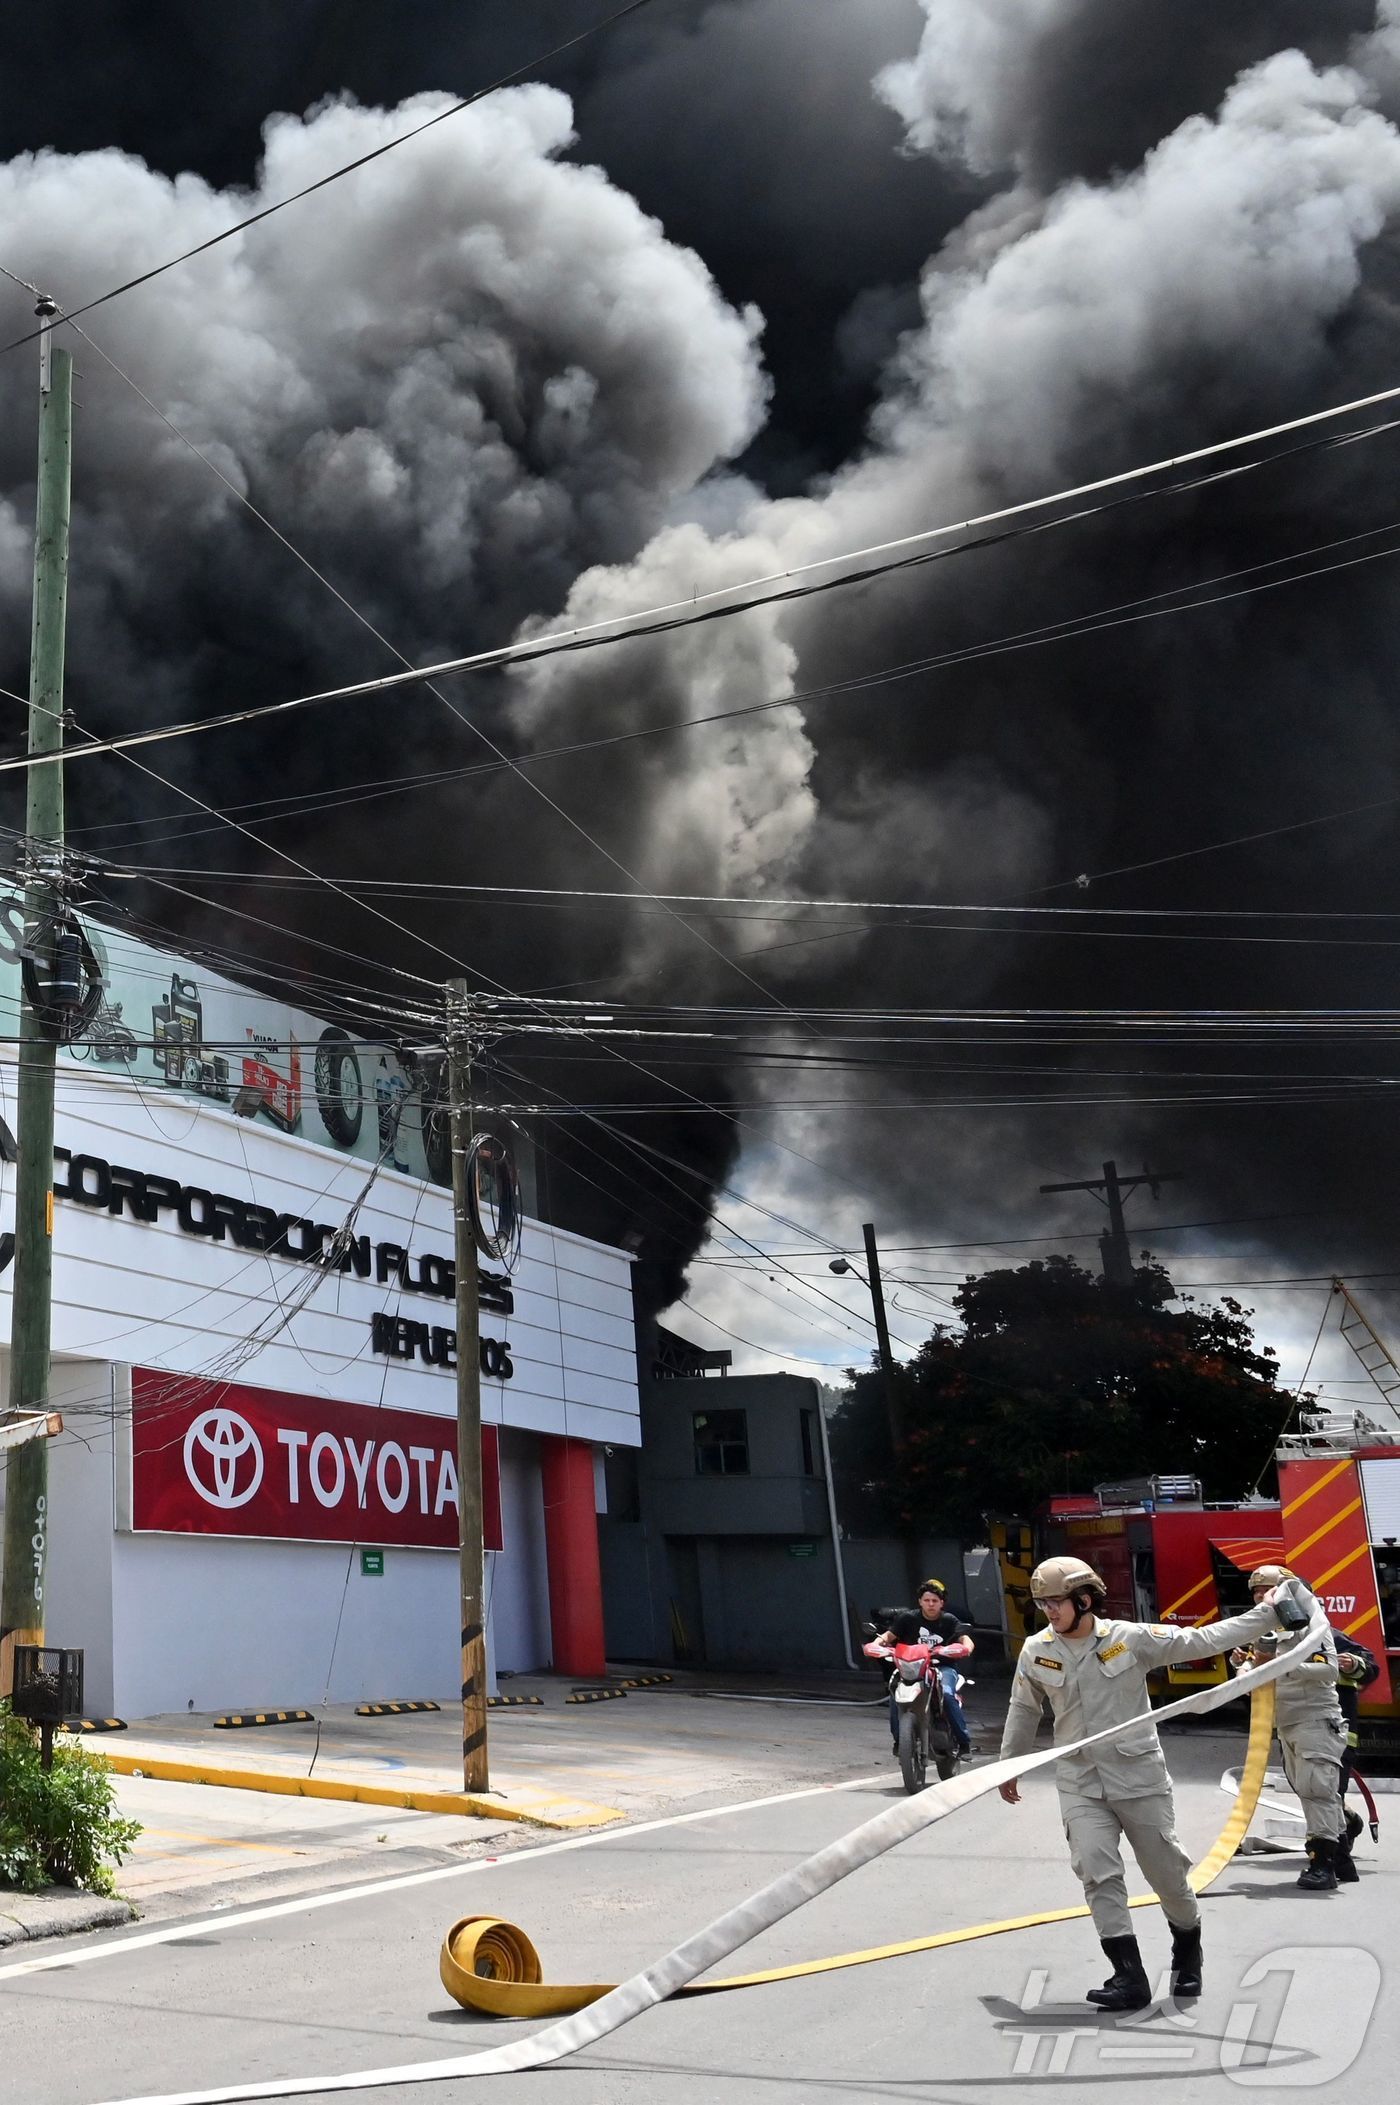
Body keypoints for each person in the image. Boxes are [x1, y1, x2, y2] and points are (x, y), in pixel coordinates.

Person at [999, 1555, 1299, 2011]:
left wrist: (1269, 1612)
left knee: (1168, 1876)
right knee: (1097, 1873)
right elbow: (1024, 1709)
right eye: (1043, 1604)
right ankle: (1128, 1976)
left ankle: (1187, 1947)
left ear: (1083, 1599)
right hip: (1080, 1781)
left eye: (1056, 1602)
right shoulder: (1037, 1649)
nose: (1049, 1612)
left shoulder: (1129, 1639)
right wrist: (1009, 1765)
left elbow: (1204, 1640)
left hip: (1138, 1778)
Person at [1227, 1565, 1349, 1891]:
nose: (1259, 1597)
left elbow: (1329, 1671)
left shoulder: (1311, 1627)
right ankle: (1342, 1858)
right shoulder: (1266, 1631)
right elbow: (1256, 1673)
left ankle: (1322, 1864)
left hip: (1314, 1719)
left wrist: (1282, 1666)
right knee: (1308, 1789)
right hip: (1285, 1722)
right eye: (1255, 1592)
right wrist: (1243, 1663)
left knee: (1316, 1789)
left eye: (1265, 1590)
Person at [875, 1580, 975, 1757]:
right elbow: (888, 1636)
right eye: (927, 1600)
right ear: (920, 1601)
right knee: (893, 1695)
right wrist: (876, 1645)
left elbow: (965, 1639)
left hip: (942, 1666)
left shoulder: (949, 1620)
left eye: (935, 1601)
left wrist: (965, 1648)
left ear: (941, 1603)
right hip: (911, 1667)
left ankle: (964, 1743)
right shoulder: (908, 1619)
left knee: (947, 1694)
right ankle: (900, 1741)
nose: (930, 1604)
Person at [1330, 1623, 1379, 1881]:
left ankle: (1329, 1860)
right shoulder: (1276, 1639)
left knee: (1327, 1793)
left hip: (1336, 1733)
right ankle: (1348, 1821)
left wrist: (1352, 1665)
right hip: (1294, 1731)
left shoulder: (1330, 1637)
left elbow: (1371, 1667)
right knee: (1305, 1788)